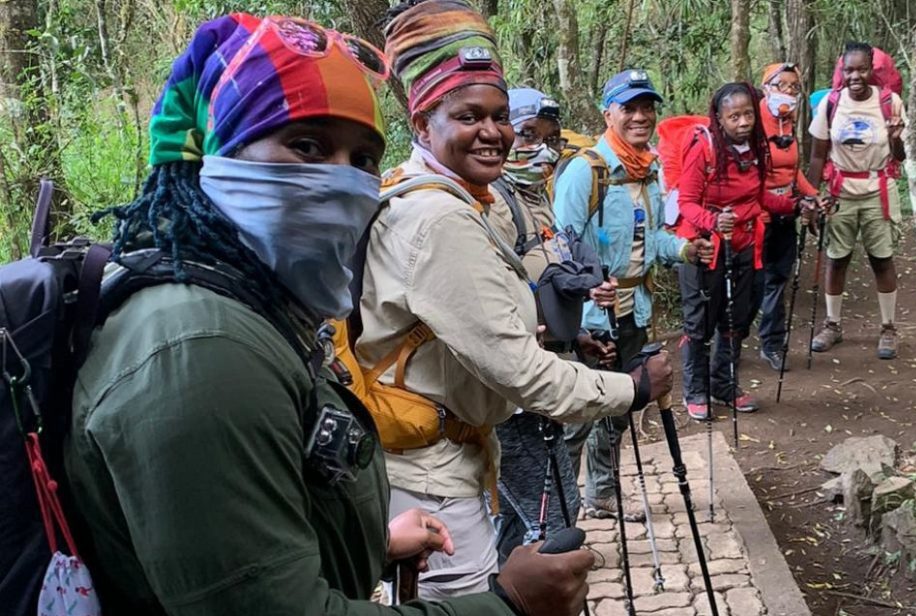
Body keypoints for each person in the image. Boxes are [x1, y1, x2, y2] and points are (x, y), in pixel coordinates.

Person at [64, 14, 595, 616]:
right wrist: (510, 603)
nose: (340, 178)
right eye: (307, 145)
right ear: (222, 154)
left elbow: (244, 547)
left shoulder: (254, 307)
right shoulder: (200, 349)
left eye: (363, 157)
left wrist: (368, 541)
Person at [358, 0, 672, 600]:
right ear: (422, 123)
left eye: (500, 116)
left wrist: (569, 335)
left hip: (438, 458)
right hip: (431, 477)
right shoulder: (439, 219)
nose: (494, 132)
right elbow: (522, 374)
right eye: (468, 116)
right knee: (472, 603)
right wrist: (632, 389)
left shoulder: (442, 194)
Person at [553, 69, 712, 520]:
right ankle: (558, 512)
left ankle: (602, 493)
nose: (640, 116)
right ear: (609, 114)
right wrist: (586, 287)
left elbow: (652, 239)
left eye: (647, 108)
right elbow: (560, 246)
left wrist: (684, 250)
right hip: (590, 319)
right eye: (629, 108)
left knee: (621, 405)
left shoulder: (649, 171)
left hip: (634, 311)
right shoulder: (586, 172)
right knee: (579, 413)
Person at [491, 88, 611, 561]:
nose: (541, 149)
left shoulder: (535, 196)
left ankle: (503, 583)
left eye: (551, 139)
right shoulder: (492, 203)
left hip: (541, 374)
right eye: (527, 135)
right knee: (555, 513)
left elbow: (539, 279)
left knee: (519, 513)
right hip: (513, 389)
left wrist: (573, 337)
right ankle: (537, 584)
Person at [675, 82, 813, 419]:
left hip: (746, 244)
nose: (743, 122)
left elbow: (759, 197)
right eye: (734, 116)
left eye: (748, 114)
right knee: (700, 323)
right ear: (719, 119)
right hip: (705, 248)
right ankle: (695, 389)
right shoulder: (704, 149)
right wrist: (713, 220)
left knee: (737, 320)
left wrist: (795, 205)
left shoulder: (757, 149)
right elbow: (686, 202)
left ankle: (723, 384)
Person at [806, 42, 907, 359]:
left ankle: (888, 328)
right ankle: (832, 324)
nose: (855, 76)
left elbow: (901, 155)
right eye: (849, 70)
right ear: (842, 71)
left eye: (862, 69)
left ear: (871, 70)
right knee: (837, 257)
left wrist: (895, 138)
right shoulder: (831, 103)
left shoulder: (889, 102)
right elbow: (817, 156)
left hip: (879, 187)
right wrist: (811, 199)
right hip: (840, 191)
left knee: (882, 258)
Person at [749, 63, 820, 372]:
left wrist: (813, 195)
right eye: (782, 85)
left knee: (778, 280)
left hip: (785, 214)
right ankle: (729, 347)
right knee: (752, 283)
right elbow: (749, 177)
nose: (789, 91)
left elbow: (793, 171)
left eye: (794, 86)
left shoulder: (788, 123)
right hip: (757, 217)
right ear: (767, 87)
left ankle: (772, 345)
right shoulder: (752, 123)